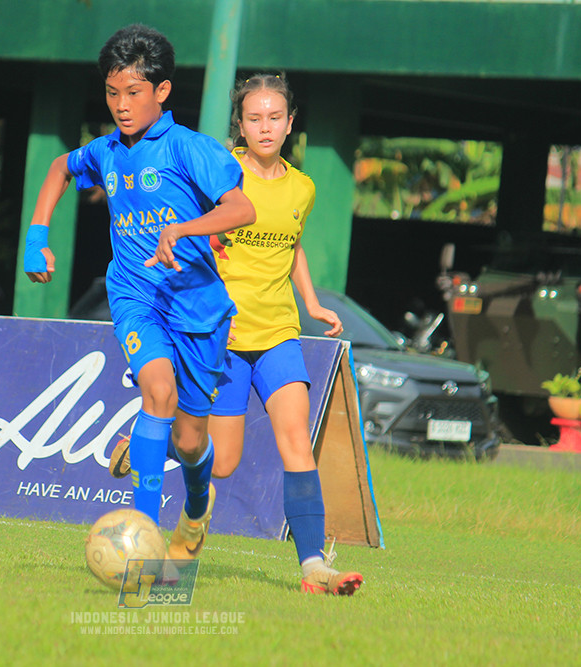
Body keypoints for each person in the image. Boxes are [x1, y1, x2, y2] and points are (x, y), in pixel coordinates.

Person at [110, 73, 363, 595]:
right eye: (254, 118)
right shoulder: (215, 172)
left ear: (290, 124)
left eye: (275, 117)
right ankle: (147, 447)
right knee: (220, 462)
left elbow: (292, 244)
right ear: (240, 126)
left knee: (297, 442)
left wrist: (312, 303)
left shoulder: (303, 188)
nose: (265, 127)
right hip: (219, 337)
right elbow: (176, 226)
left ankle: (313, 568)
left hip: (278, 333)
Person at [23, 24, 256, 561]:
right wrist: (37, 238)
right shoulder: (105, 151)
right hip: (135, 298)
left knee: (192, 442)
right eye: (112, 93)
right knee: (157, 393)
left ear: (162, 90)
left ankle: (195, 507)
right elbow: (60, 167)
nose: (121, 106)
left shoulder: (189, 148)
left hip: (198, 309)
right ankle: (143, 540)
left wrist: (182, 230)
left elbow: (242, 209)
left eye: (133, 92)